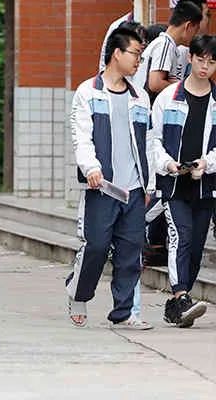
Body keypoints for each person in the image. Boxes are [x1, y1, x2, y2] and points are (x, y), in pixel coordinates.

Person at [65, 27, 153, 330]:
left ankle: (124, 312)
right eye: (135, 55)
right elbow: (82, 137)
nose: (138, 62)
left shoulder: (139, 96)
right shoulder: (88, 92)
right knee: (97, 246)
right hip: (102, 187)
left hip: (134, 188)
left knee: (131, 251)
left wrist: (149, 183)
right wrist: (91, 168)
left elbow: (149, 141)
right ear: (117, 53)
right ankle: (78, 294)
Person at [149, 33, 216, 327]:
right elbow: (154, 139)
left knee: (197, 244)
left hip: (205, 185)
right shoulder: (168, 97)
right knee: (181, 237)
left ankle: (175, 306)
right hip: (174, 185)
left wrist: (206, 163)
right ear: (190, 58)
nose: (205, 67)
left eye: (211, 62)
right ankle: (181, 295)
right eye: (200, 60)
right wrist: (168, 164)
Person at [133, 1, 203, 102]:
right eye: (195, 30)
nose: (195, 35)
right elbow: (155, 83)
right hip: (147, 107)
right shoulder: (165, 45)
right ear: (188, 26)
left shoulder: (167, 45)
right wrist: (185, 91)